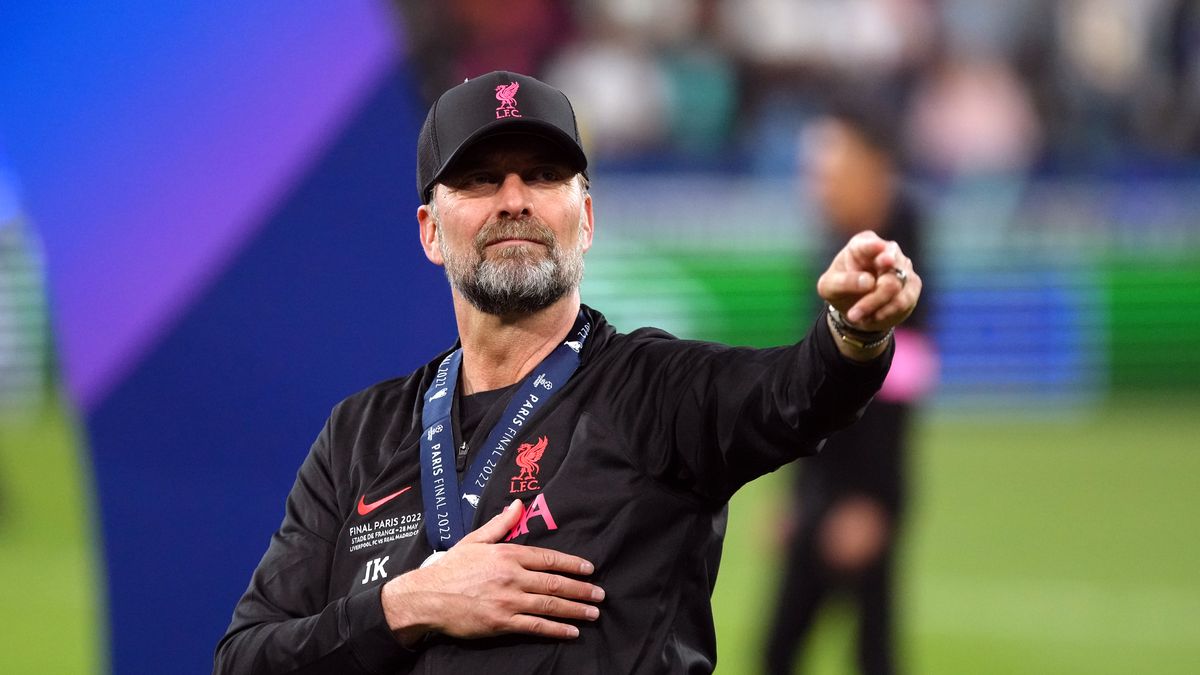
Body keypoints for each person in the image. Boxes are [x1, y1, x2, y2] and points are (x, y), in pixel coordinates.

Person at [214, 71, 922, 674]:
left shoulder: (656, 391)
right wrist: (412, 601)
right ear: (431, 230)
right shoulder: (360, 434)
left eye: (544, 175)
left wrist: (852, 332)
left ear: (586, 217)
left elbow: (795, 392)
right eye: (481, 178)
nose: (514, 198)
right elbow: (247, 656)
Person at [763, 105, 937, 675]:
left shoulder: (897, 253)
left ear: (874, 167)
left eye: (830, 167)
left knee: (861, 650)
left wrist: (874, 500)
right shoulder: (833, 243)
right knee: (796, 647)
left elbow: (901, 385)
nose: (819, 183)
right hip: (823, 482)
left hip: (859, 491)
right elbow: (812, 389)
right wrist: (797, 490)